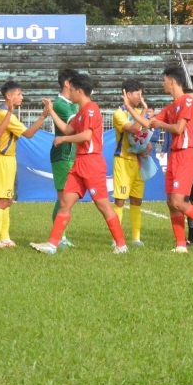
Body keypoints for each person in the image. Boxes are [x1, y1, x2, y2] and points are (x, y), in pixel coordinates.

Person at [31, 74, 128, 254]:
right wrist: (51, 111)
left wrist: (63, 139)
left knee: (103, 205)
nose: (71, 93)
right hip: (80, 162)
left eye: (73, 90)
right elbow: (68, 128)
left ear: (80, 91)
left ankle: (121, 245)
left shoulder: (91, 109)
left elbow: (86, 136)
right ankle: (52, 245)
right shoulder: (82, 112)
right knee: (65, 202)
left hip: (91, 162)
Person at [126, 67, 193, 252]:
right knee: (171, 201)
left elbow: (178, 129)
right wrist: (129, 107)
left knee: (178, 201)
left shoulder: (186, 101)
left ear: (172, 81)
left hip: (186, 154)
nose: (163, 84)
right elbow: (147, 124)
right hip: (174, 155)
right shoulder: (171, 107)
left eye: (164, 80)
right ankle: (180, 245)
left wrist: (161, 124)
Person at [0, 80, 50, 248]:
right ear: (9, 96)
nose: (21, 97)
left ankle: (5, 237)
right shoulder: (4, 114)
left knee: (8, 199)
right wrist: (43, 116)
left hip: (9, 159)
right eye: (19, 94)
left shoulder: (6, 113)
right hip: (3, 160)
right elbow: (29, 134)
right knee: (2, 200)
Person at [112, 79, 148, 246]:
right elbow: (134, 129)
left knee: (137, 200)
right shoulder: (119, 113)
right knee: (120, 200)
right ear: (127, 94)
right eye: (137, 94)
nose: (140, 98)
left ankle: (136, 238)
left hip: (139, 162)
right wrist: (144, 111)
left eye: (141, 94)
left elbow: (146, 131)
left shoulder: (140, 111)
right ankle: (116, 238)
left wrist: (148, 147)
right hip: (123, 161)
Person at [49, 68, 81, 248]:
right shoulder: (61, 105)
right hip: (62, 154)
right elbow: (75, 127)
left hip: (70, 154)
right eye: (75, 83)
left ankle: (60, 236)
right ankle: (59, 238)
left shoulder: (70, 104)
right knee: (63, 199)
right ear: (67, 84)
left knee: (64, 199)